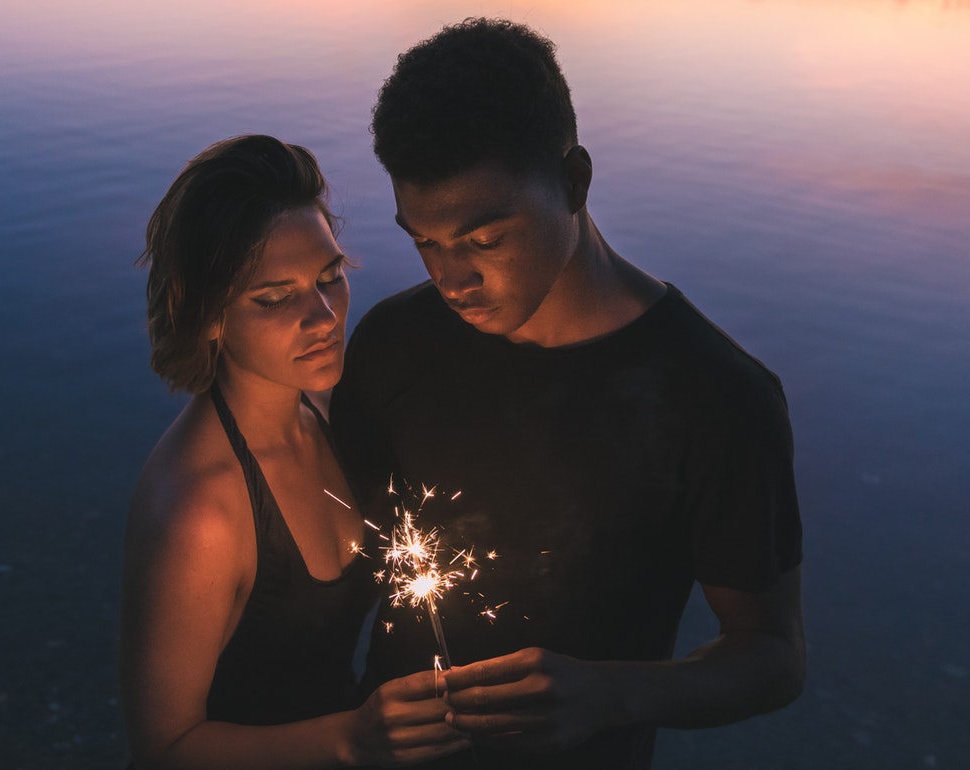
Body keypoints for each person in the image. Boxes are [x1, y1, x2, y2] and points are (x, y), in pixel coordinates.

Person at [330, 18, 806, 769]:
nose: (451, 279)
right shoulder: (394, 344)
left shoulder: (718, 398)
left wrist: (613, 694)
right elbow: (347, 566)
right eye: (424, 240)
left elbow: (772, 655)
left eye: (485, 240)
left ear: (574, 180)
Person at [119, 134, 470, 769]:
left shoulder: (327, 409)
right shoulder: (202, 514)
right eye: (275, 298)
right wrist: (352, 739)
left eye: (329, 277)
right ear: (209, 316)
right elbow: (163, 749)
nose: (325, 316)